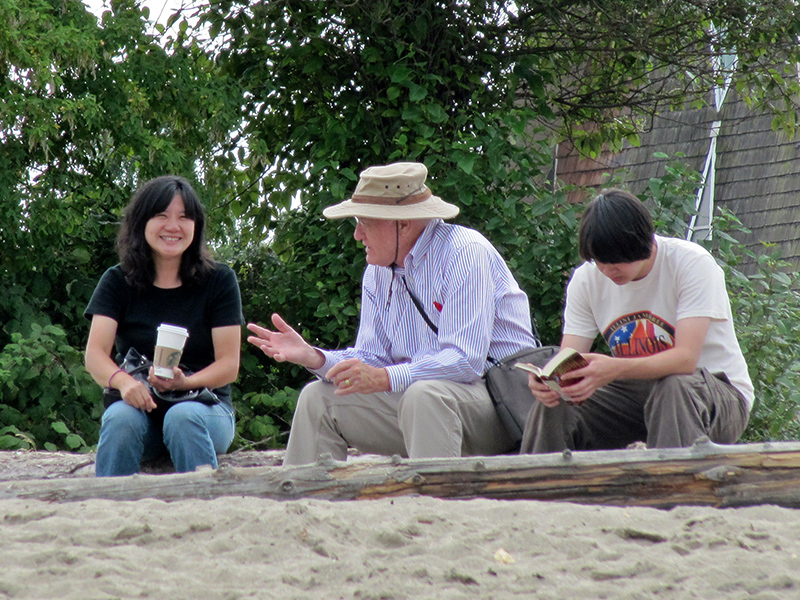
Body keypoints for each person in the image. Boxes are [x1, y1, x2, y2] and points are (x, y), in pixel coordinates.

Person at [247, 162, 538, 466]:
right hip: (425, 408)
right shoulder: (376, 272)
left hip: (503, 406)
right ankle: (306, 508)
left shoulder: (464, 252)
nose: (358, 235)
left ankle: (432, 509)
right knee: (317, 398)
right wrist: (314, 357)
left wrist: (387, 378)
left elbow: (466, 361)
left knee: (423, 396)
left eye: (365, 222)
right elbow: (372, 358)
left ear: (403, 224)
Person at [521, 188, 753, 453]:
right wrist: (552, 380)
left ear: (640, 244)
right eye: (600, 262)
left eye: (616, 261)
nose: (608, 271)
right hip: (635, 399)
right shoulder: (586, 280)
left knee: (673, 386)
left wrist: (614, 368)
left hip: (716, 395)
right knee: (557, 403)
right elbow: (570, 356)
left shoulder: (691, 263)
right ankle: (535, 489)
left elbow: (685, 360)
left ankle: (672, 489)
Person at [84, 175, 243, 476]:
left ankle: (204, 509)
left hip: (204, 409)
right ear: (142, 222)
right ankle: (108, 510)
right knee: (120, 420)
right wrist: (125, 383)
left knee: (182, 418)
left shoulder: (220, 281)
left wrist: (184, 383)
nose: (173, 226)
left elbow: (229, 365)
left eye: (184, 217)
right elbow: (95, 355)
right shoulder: (117, 281)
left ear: (196, 227)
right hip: (140, 407)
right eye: (161, 215)